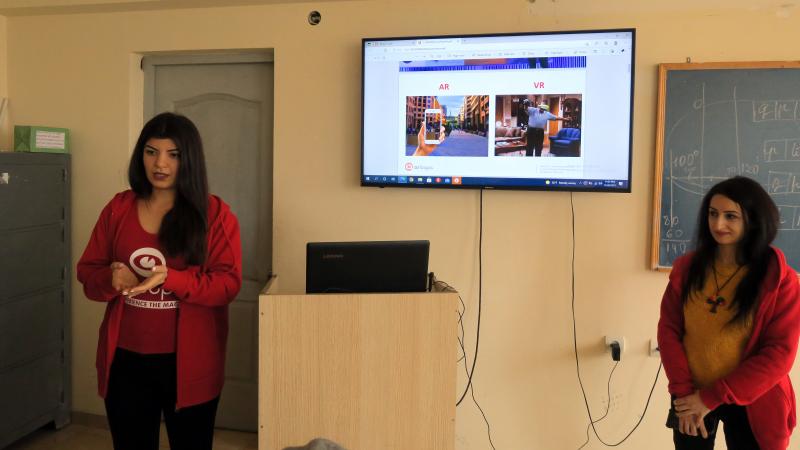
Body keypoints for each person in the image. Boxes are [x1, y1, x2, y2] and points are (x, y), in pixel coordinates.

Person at [77, 112, 242, 450]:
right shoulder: (118, 208)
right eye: (151, 152)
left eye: (173, 154)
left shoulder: (214, 214)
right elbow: (87, 273)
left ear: (189, 159)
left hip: (189, 363)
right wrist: (111, 278)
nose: (160, 164)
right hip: (125, 359)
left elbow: (227, 284)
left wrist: (172, 279)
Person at [657, 176, 800, 450]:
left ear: (753, 220)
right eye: (713, 214)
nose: (718, 224)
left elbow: (779, 354)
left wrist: (711, 398)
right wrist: (684, 393)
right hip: (691, 395)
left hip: (753, 400)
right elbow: (669, 331)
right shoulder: (687, 269)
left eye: (730, 216)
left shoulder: (780, 279)